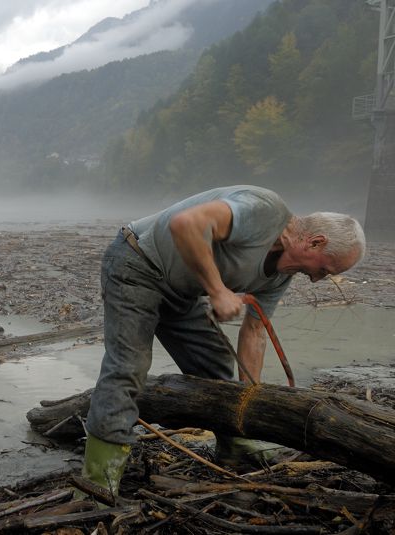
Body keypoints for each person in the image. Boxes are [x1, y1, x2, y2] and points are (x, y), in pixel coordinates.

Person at [81, 185, 365, 502]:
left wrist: (251, 398)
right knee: (128, 368)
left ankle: (235, 447)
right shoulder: (263, 210)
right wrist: (217, 291)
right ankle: (97, 482)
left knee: (215, 366)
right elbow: (185, 224)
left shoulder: (280, 275)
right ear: (315, 242)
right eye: (324, 270)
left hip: (183, 292)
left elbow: (255, 332)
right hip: (136, 263)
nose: (315, 279)